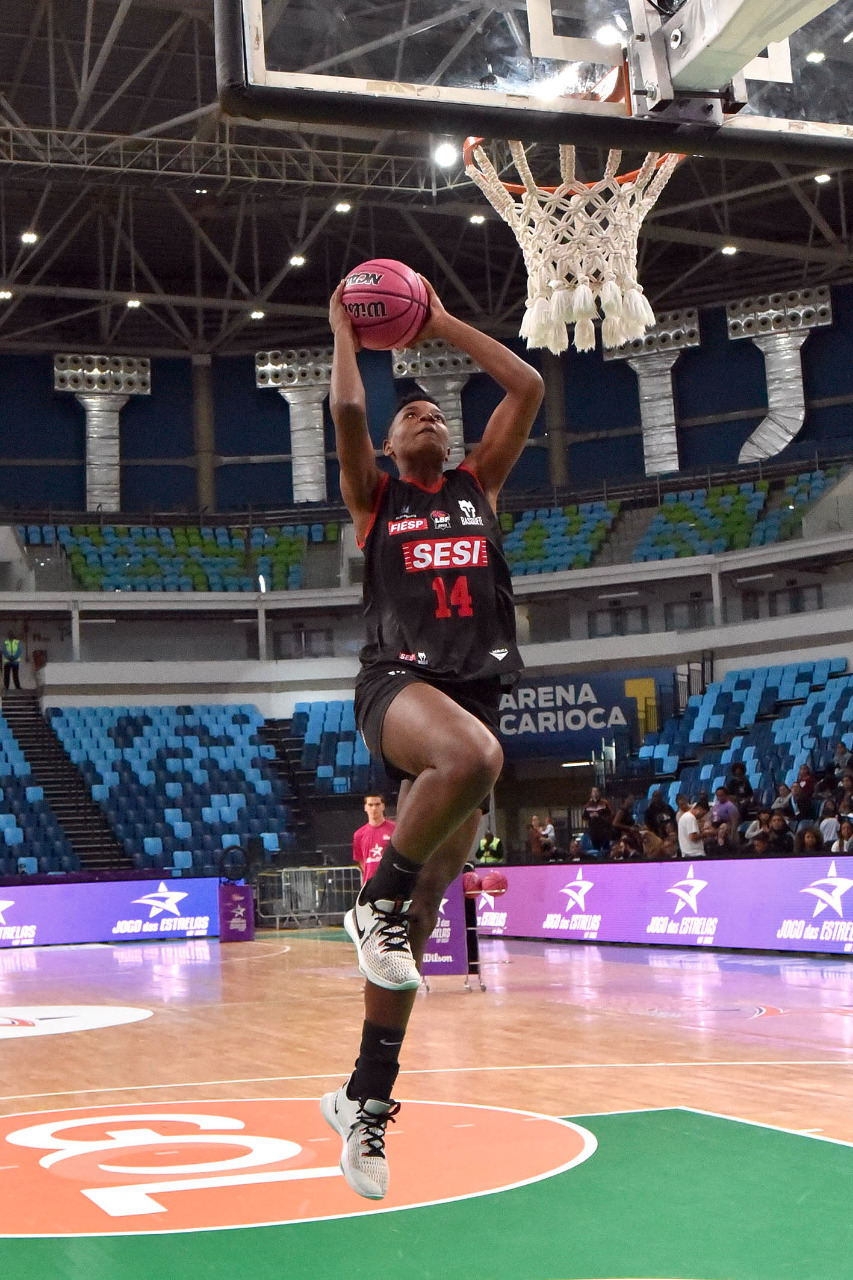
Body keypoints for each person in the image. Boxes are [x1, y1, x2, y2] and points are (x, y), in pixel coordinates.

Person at [320, 274, 543, 1200]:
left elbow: (525, 387)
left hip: (472, 689)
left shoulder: (477, 485)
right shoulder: (375, 497)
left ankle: (364, 1102)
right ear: (385, 444)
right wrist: (345, 330)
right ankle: (375, 899)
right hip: (398, 684)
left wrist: (441, 320)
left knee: (416, 929)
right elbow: (342, 411)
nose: (425, 416)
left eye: (436, 413)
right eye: (408, 413)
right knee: (472, 758)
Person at [352, 794, 396, 884]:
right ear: (365, 807)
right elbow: (361, 861)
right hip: (370, 884)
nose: (374, 808)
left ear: (383, 806)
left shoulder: (395, 829)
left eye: (377, 804)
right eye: (370, 805)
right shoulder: (358, 834)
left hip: (391, 883)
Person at [582, 787, 613, 854]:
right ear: (591, 794)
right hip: (593, 831)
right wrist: (590, 816)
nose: (595, 793)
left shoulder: (604, 803)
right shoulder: (588, 805)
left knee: (606, 850)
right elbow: (584, 817)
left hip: (604, 830)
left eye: (596, 791)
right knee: (596, 849)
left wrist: (599, 816)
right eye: (593, 791)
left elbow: (610, 816)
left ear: (599, 793)